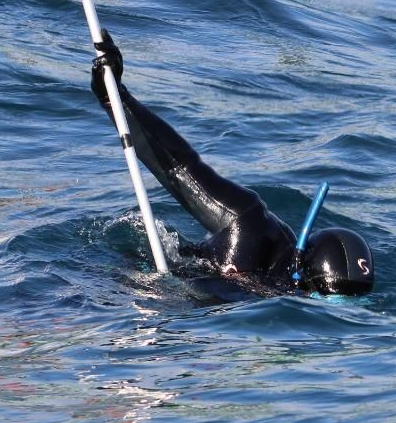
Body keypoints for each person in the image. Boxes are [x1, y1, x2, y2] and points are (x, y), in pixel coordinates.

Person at [89, 31, 374, 297]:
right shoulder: (246, 221)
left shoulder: (278, 295)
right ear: (301, 271)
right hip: (115, 286)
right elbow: (180, 168)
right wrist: (116, 98)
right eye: (315, 295)